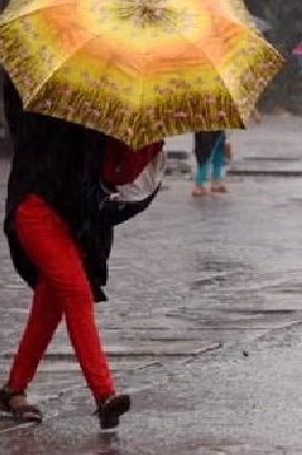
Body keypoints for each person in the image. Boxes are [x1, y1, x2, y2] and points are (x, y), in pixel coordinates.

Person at [0, 71, 165, 430]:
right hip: (35, 207)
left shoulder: (98, 97)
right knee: (76, 292)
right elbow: (26, 128)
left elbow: (113, 171)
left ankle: (14, 389)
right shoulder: (33, 90)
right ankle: (104, 395)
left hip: (77, 221)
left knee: (49, 305)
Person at [192, 130, 228, 197]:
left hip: (214, 129)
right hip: (210, 130)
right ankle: (199, 185)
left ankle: (216, 181)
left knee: (218, 151)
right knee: (206, 154)